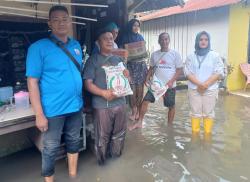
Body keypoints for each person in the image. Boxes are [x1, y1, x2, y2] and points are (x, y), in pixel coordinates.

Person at [26, 5, 83, 182]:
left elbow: (77, 73)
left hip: (76, 105)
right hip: (53, 109)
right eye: (56, 19)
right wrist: (39, 114)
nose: (61, 23)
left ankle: (73, 176)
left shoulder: (76, 45)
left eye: (65, 19)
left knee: (74, 141)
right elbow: (32, 82)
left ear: (70, 21)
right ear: (49, 23)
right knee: (50, 148)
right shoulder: (38, 48)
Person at [84, 29, 129, 165]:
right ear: (98, 42)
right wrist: (103, 93)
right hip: (102, 105)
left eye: (111, 38)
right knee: (102, 137)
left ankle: (116, 163)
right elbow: (87, 84)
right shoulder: (93, 60)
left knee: (120, 134)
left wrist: (127, 75)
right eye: (105, 38)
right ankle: (102, 164)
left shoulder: (119, 59)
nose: (109, 40)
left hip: (120, 102)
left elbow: (126, 81)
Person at [129, 32, 183, 130]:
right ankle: (140, 122)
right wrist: (146, 78)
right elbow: (151, 68)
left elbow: (179, 70)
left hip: (169, 86)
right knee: (145, 101)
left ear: (169, 40)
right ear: (159, 41)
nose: (164, 41)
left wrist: (171, 81)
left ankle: (169, 126)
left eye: (166, 39)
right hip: (156, 85)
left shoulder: (175, 54)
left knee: (170, 106)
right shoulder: (155, 54)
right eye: (162, 39)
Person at [184, 31, 224, 136]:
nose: (203, 42)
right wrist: (200, 85)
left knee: (208, 113)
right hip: (194, 89)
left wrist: (205, 85)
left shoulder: (215, 56)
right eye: (201, 39)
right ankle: (195, 136)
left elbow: (219, 72)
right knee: (195, 113)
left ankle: (207, 137)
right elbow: (187, 73)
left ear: (209, 41)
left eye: (206, 39)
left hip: (210, 90)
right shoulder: (190, 56)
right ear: (197, 41)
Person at [120, 19, 148, 121]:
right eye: (134, 25)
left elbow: (143, 51)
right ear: (130, 26)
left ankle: (138, 112)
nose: (136, 28)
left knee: (140, 91)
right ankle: (134, 110)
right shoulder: (125, 38)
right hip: (130, 67)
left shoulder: (140, 37)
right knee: (132, 90)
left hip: (140, 66)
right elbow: (122, 52)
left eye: (137, 26)